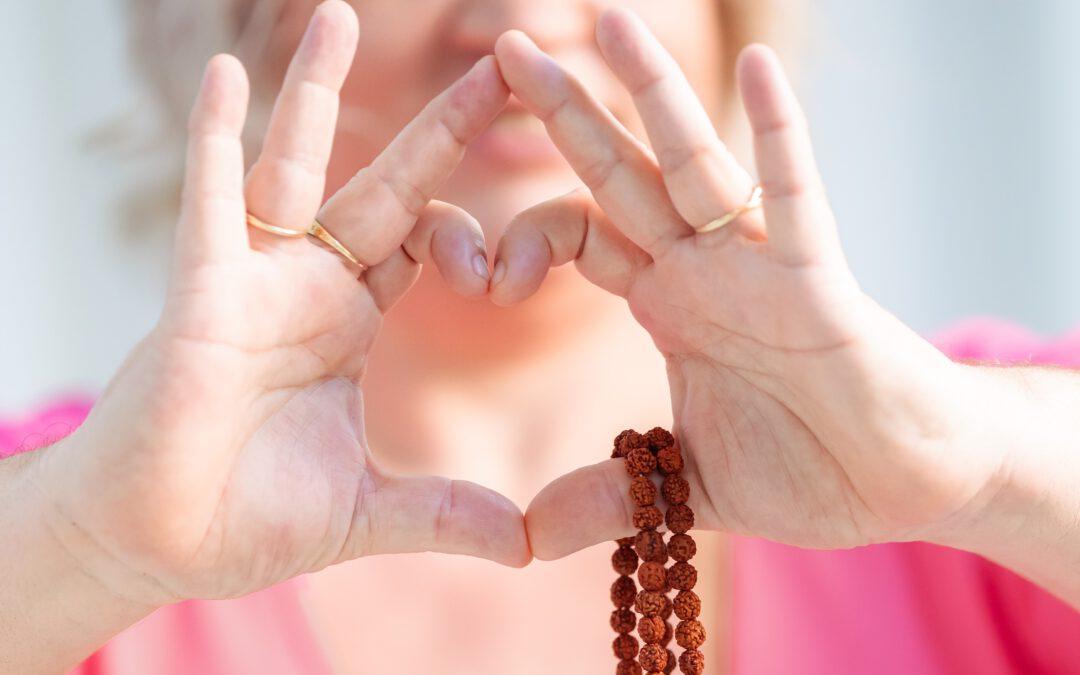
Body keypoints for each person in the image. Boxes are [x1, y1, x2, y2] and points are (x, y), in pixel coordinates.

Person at [3, 2, 1080, 674]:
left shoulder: (986, 458)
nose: (523, 19)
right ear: (245, 21)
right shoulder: (79, 505)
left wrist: (984, 476)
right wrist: (86, 547)